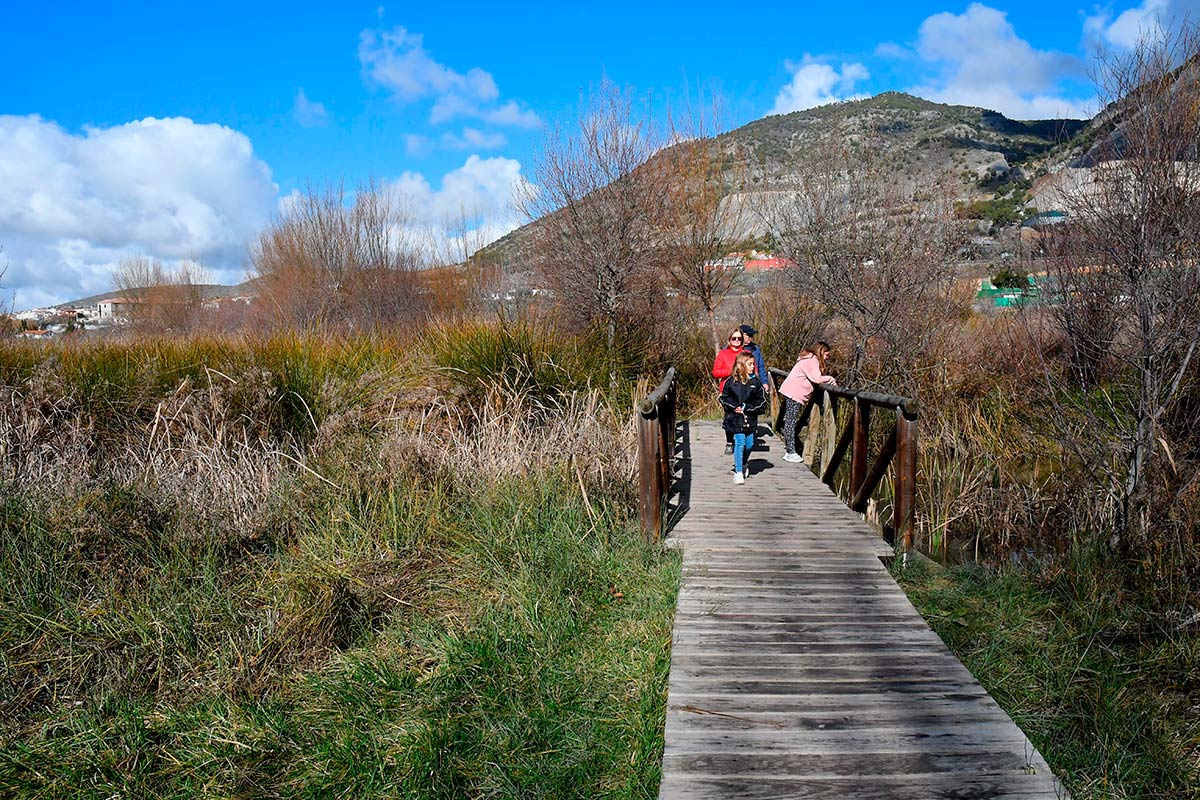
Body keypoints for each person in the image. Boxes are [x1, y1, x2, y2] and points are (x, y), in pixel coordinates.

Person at [777, 341, 836, 463]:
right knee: (790, 422)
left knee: (790, 421)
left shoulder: (807, 359)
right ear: (821, 352)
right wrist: (830, 379)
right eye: (826, 355)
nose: (827, 358)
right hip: (794, 392)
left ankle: (790, 450)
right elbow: (817, 379)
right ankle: (790, 452)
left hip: (793, 391)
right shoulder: (812, 361)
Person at [720, 351, 767, 485]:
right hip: (735, 418)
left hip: (750, 419)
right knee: (739, 443)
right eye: (750, 364)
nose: (753, 366)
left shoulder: (756, 382)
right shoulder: (731, 381)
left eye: (754, 364)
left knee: (749, 444)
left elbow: (762, 401)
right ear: (741, 365)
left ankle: (744, 462)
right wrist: (734, 407)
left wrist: (747, 407)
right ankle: (738, 472)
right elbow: (724, 398)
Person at [711, 328, 744, 455]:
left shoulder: (746, 353)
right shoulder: (723, 354)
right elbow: (715, 372)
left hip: (744, 390)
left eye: (739, 338)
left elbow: (755, 371)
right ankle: (729, 442)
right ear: (729, 340)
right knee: (730, 415)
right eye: (734, 338)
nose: (736, 341)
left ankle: (741, 441)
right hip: (727, 390)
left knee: (742, 414)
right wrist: (730, 371)